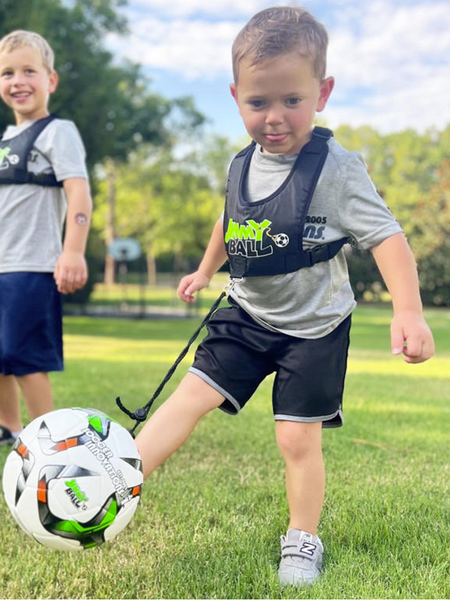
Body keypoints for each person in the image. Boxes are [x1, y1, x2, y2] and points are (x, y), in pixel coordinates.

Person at [134, 6, 435, 587]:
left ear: (321, 93)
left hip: (314, 328)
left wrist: (408, 310)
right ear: (235, 95)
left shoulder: (338, 170)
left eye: (291, 101)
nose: (274, 118)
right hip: (246, 312)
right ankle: (115, 484)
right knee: (187, 397)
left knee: (295, 436)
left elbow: (389, 238)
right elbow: (233, 221)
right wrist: (203, 271)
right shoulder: (240, 162)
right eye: (258, 102)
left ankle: (303, 538)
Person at [0, 30, 92, 458]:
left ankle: (50, 448)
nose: (18, 80)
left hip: (32, 267)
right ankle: (10, 430)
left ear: (51, 80)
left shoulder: (58, 132)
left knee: (26, 361)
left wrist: (73, 249)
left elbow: (79, 194)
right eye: (8, 72)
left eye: (30, 71)